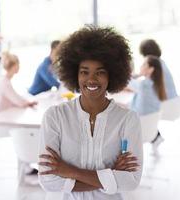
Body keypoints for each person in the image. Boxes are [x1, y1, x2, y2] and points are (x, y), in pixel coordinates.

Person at [38, 26, 143, 199]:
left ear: (111, 76)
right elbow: (48, 180)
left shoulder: (128, 119)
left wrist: (68, 171)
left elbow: (131, 181)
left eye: (100, 72)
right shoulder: (55, 116)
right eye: (84, 72)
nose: (92, 79)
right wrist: (111, 176)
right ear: (75, 75)